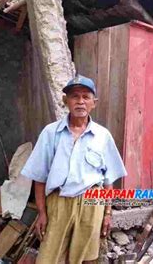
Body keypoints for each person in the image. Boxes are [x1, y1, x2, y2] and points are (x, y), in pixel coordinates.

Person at [21, 75, 127, 263]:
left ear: (93, 103)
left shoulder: (103, 136)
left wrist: (108, 213)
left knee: (85, 258)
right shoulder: (50, 133)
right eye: (74, 96)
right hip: (59, 203)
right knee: (49, 258)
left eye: (86, 97)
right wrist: (42, 212)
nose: (80, 102)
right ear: (65, 101)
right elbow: (39, 177)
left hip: (92, 204)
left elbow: (108, 180)